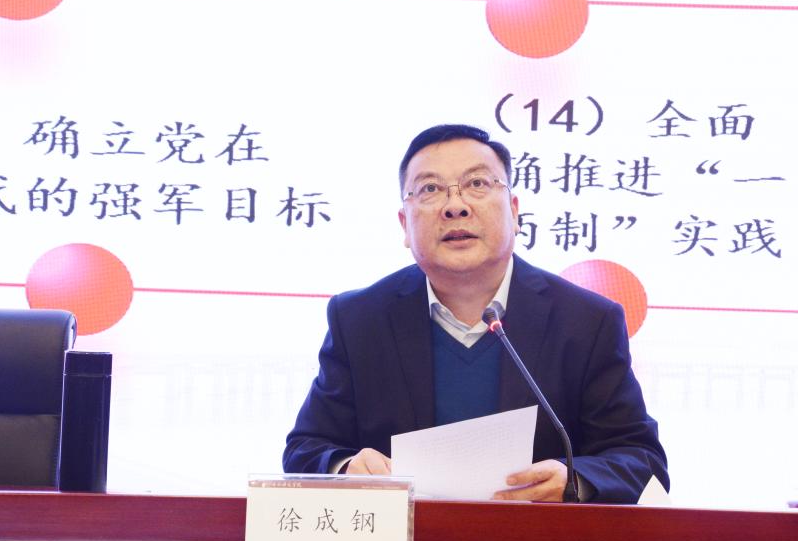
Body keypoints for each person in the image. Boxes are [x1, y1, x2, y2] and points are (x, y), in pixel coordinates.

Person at [283, 124, 668, 503]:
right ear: (404, 225)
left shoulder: (586, 321)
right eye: (430, 189)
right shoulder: (360, 320)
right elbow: (306, 450)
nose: (456, 206)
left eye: (477, 184)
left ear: (514, 211)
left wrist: (575, 481)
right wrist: (347, 468)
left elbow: (641, 460)